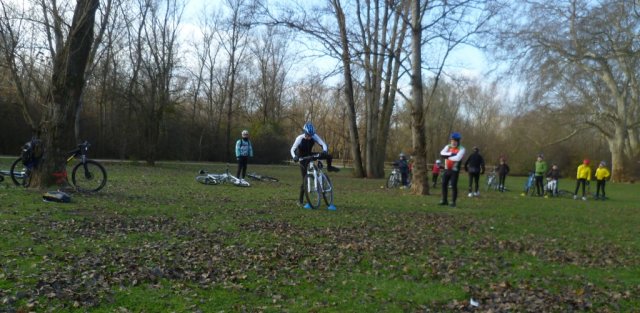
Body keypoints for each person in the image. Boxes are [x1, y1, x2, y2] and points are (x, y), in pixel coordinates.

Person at [290, 122, 340, 209]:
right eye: (308, 135)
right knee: (304, 180)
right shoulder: (299, 138)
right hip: (302, 158)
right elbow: (292, 149)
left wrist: (324, 151)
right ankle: (300, 200)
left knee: (328, 156)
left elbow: (323, 144)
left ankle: (329, 167)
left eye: (311, 135)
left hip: (311, 155)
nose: (310, 137)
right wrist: (295, 157)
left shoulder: (314, 136)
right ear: (304, 132)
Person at [439, 132, 466, 207]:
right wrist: (451, 155)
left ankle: (453, 202)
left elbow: (458, 158)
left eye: (455, 141)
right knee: (444, 184)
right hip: (446, 169)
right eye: (452, 141)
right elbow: (441, 153)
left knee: (453, 185)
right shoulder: (448, 146)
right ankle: (444, 200)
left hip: (454, 170)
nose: (453, 143)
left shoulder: (462, 149)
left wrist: (447, 156)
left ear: (458, 141)